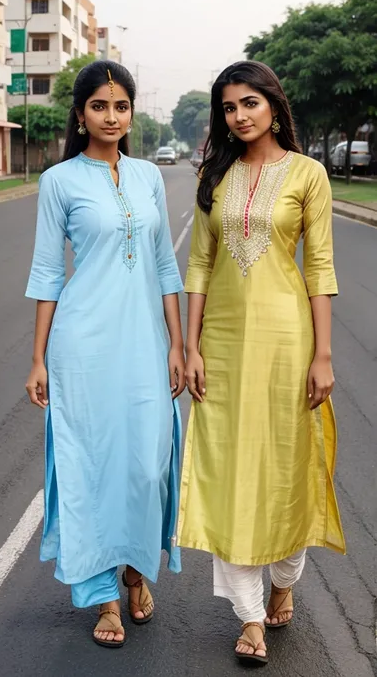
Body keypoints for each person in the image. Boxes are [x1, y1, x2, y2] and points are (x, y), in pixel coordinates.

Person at [177, 60, 346, 665]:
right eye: (228, 107)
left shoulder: (308, 175)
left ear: (274, 104)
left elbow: (320, 269)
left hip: (287, 339)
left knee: (285, 463)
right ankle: (249, 615)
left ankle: (283, 580)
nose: (239, 116)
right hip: (221, 342)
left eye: (249, 103)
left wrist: (322, 355)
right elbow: (198, 264)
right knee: (228, 467)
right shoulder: (214, 175)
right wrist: (190, 345)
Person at [25, 60, 185, 648]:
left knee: (148, 465)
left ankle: (138, 569)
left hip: (145, 344)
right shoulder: (59, 181)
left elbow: (166, 265)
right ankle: (104, 597)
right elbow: (47, 272)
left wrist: (178, 344)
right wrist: (38, 357)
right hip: (82, 348)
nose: (111, 117)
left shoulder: (147, 177)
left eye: (120, 107)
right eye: (99, 106)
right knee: (91, 469)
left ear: (131, 114)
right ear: (81, 113)